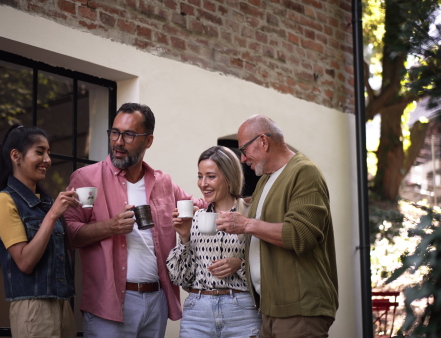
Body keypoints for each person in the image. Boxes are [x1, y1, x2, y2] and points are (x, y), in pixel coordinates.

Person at [64, 103, 207, 338]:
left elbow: (198, 205)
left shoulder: (163, 183)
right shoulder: (86, 178)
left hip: (157, 300)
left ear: (148, 141)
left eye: (129, 135)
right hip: (109, 305)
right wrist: (111, 226)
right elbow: (68, 233)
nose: (118, 141)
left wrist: (237, 199)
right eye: (115, 132)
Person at [216, 115, 338, 338]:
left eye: (244, 149)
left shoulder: (304, 172)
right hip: (272, 309)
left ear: (263, 141)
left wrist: (246, 225)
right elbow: (249, 211)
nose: (242, 159)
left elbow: (301, 234)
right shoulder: (266, 179)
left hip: (299, 310)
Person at [0, 125, 77, 338]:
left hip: (62, 304)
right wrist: (52, 216)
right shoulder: (4, 201)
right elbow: (24, 262)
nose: (47, 159)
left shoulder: (46, 202)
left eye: (48, 152)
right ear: (16, 156)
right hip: (33, 308)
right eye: (39, 152)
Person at [166, 146, 262, 338]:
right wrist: (184, 237)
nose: (203, 184)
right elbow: (179, 278)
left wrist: (240, 265)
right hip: (197, 312)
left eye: (211, 176)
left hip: (241, 311)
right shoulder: (193, 218)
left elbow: (268, 266)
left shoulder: (251, 216)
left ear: (229, 177)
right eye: (200, 176)